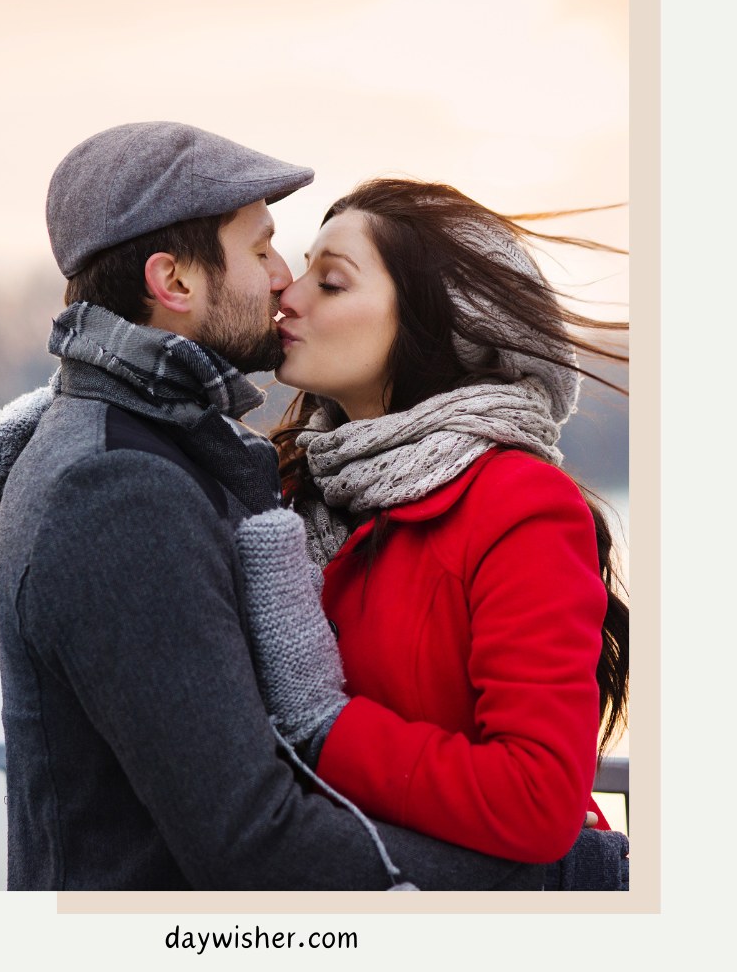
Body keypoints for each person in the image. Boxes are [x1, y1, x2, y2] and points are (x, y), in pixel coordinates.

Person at [0, 122, 544, 891]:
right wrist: (561, 878)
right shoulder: (120, 490)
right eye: (262, 250)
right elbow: (251, 838)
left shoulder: (148, 447)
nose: (282, 280)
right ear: (174, 283)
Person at [236, 177, 629, 887]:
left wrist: (327, 728)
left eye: (331, 282)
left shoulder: (518, 505)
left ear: (437, 324)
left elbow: (539, 799)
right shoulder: (292, 485)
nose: (287, 295)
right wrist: (80, 426)